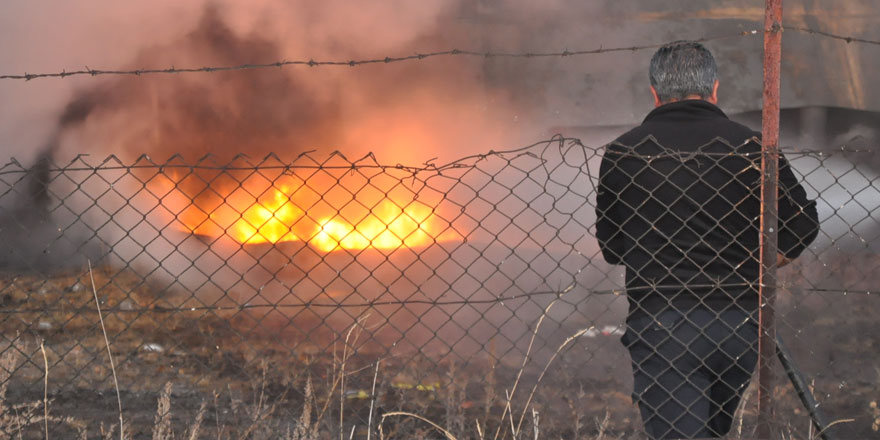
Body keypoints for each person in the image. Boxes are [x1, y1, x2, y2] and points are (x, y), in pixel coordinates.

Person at [595, 41, 819, 439]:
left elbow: (613, 250)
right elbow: (802, 224)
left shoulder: (623, 153)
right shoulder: (752, 147)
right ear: (715, 88)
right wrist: (759, 262)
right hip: (739, 324)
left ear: (654, 92)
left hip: (662, 324)